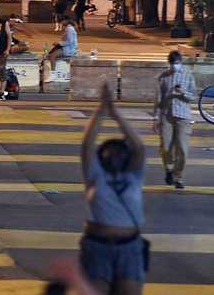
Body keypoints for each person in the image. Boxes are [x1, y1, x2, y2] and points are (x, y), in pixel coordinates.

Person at [81, 83, 146, 295]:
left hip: (130, 248)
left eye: (119, 151)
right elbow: (87, 145)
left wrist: (116, 114)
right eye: (110, 151)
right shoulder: (95, 175)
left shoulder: (133, 176)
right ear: (102, 157)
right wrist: (101, 112)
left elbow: (139, 148)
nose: (115, 155)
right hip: (97, 247)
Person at [153, 50, 196, 190]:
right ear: (169, 63)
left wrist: (183, 92)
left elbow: (194, 96)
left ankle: (178, 177)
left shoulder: (188, 75)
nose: (174, 66)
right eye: (172, 64)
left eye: (177, 63)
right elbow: (158, 100)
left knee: (182, 149)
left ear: (181, 62)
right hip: (167, 115)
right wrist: (155, 119)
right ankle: (169, 169)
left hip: (183, 116)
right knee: (166, 147)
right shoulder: (163, 77)